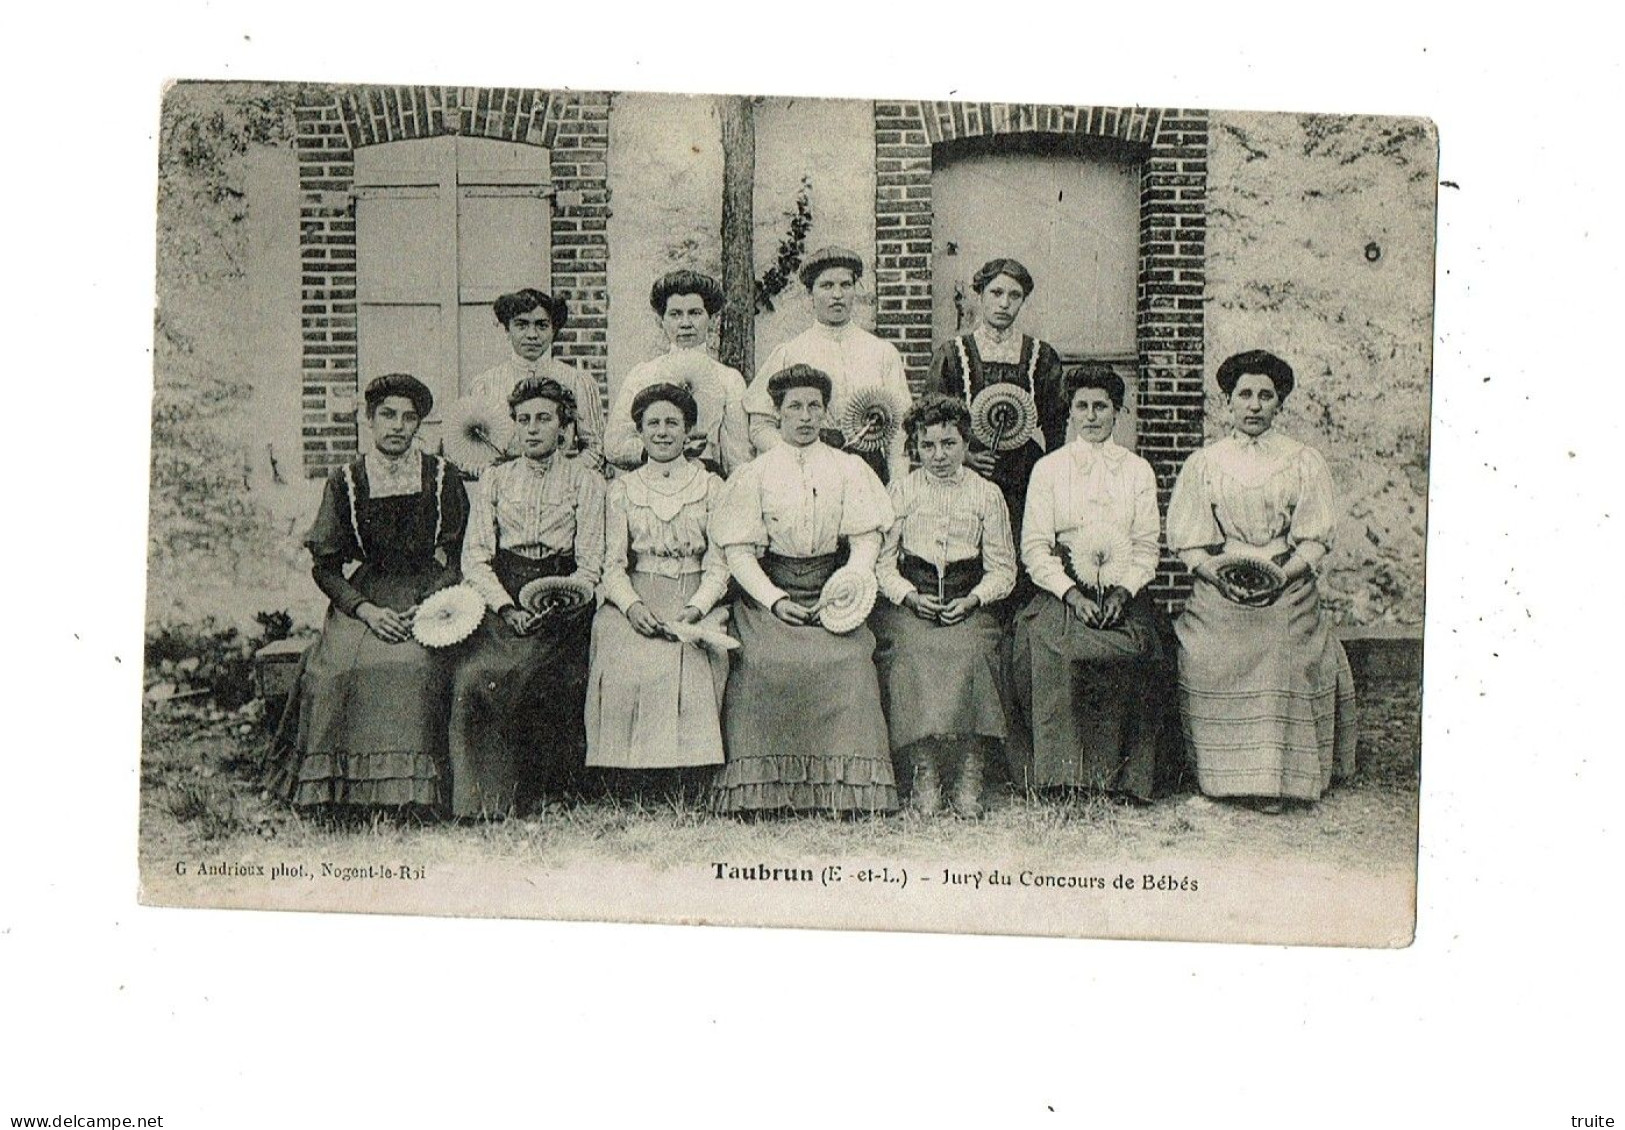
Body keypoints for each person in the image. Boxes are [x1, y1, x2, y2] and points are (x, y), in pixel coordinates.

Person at [264, 374, 468, 811]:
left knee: (415, 666)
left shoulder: (442, 477)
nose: (398, 426)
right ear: (370, 421)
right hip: (366, 596)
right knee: (334, 672)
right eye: (388, 416)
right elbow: (326, 567)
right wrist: (367, 611)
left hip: (426, 593)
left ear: (419, 426)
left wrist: (429, 604)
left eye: (408, 418)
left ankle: (411, 794)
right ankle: (343, 792)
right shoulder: (346, 481)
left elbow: (457, 556)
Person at [1166, 349, 1357, 811]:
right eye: (1244, 395)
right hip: (1222, 585)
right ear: (1228, 402)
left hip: (1285, 583)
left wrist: (1279, 575)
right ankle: (1219, 777)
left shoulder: (1302, 461)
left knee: (1277, 643)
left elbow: (1313, 541)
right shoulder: (1205, 463)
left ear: (1280, 405)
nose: (1254, 405)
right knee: (1204, 649)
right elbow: (1189, 542)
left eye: (1265, 396)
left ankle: (1275, 781)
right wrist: (1218, 574)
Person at [709, 364, 898, 815]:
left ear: (826, 412)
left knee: (851, 662)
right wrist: (775, 600)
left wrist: (844, 588)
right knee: (759, 663)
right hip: (771, 596)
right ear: (777, 413)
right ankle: (765, 793)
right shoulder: (754, 474)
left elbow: (866, 538)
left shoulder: (849, 469)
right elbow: (738, 552)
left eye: (815, 406)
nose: (806, 416)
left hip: (835, 592)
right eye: (795, 406)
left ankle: (848, 792)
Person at [1007, 364, 1166, 805]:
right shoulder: (1049, 469)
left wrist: (1123, 592)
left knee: (1135, 649)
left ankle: (1122, 779)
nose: (1092, 416)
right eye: (1082, 406)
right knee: (1055, 647)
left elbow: (1146, 547)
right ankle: (1061, 777)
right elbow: (1036, 548)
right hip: (1064, 588)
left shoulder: (1137, 472)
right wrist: (1072, 595)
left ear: (1118, 412)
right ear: (1070, 412)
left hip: (1121, 589)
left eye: (1102, 406)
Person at [448, 377, 606, 818]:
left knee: (555, 675)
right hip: (506, 592)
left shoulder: (586, 481)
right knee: (478, 674)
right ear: (513, 427)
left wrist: (565, 598)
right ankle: (486, 798)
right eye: (523, 420)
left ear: (563, 426)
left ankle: (552, 791)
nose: (533, 428)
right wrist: (507, 607)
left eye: (544, 418)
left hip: (565, 598)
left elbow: (591, 563)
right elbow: (476, 560)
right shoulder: (495, 481)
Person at [872, 395, 1016, 816]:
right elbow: (882, 564)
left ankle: (971, 767)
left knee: (974, 653)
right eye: (928, 445)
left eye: (949, 444)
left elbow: (1004, 569)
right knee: (910, 653)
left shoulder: (987, 495)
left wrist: (973, 599)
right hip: (914, 598)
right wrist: (909, 596)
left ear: (965, 443)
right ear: (914, 446)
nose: (939, 455)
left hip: (968, 597)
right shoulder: (899, 491)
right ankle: (924, 768)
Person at [585, 382, 731, 786]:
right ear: (640, 431)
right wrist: (631, 606)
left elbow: (720, 564)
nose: (663, 432)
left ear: (688, 432)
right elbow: (612, 565)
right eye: (653, 424)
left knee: (696, 653)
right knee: (614, 636)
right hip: (640, 593)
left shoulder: (710, 487)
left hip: (695, 592)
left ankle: (688, 774)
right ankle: (628, 774)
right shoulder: (623, 490)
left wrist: (697, 607)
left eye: (673, 423)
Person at [925, 258, 1067, 551]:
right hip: (967, 476)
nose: (1004, 303)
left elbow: (1056, 428)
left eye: (1015, 296)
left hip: (1023, 480)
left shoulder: (1041, 356)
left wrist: (1048, 479)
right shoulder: (953, 354)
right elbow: (931, 423)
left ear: (1023, 300)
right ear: (980, 295)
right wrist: (964, 458)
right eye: (996, 293)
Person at [744, 246, 913, 483]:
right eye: (826, 286)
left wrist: (897, 486)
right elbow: (760, 426)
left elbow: (899, 431)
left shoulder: (882, 353)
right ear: (810, 294)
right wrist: (796, 458)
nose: (837, 295)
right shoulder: (790, 353)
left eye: (845, 285)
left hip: (869, 472)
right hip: (808, 472)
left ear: (855, 290)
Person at [604, 270, 751, 477]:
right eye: (675, 314)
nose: (685, 323)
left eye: (695, 313)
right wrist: (658, 454)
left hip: (707, 482)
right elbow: (614, 445)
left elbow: (737, 458)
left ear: (711, 319)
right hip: (651, 482)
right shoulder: (643, 375)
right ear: (661, 321)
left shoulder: (728, 379)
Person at [468, 288, 606, 471]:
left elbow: (596, 449)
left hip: (562, 491)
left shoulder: (577, 381)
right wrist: (499, 476)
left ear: (553, 330)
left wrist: (564, 475)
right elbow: (472, 455)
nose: (532, 334)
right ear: (507, 330)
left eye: (541, 325)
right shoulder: (485, 385)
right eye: (521, 325)